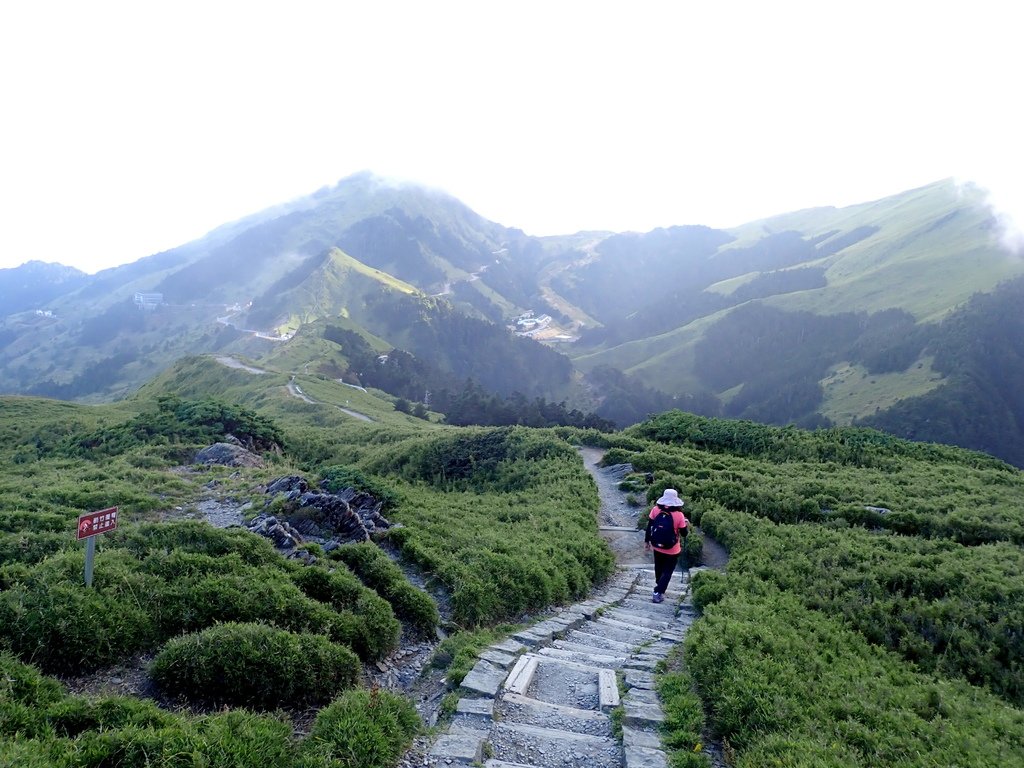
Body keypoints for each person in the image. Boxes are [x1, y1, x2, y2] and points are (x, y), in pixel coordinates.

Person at [644, 488, 688, 603]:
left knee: (658, 568)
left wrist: (647, 541)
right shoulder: (679, 515)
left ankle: (659, 586)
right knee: (667, 571)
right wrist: (685, 525)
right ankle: (658, 591)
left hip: (657, 546)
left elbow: (649, 526)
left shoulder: (655, 510)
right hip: (672, 549)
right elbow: (684, 534)